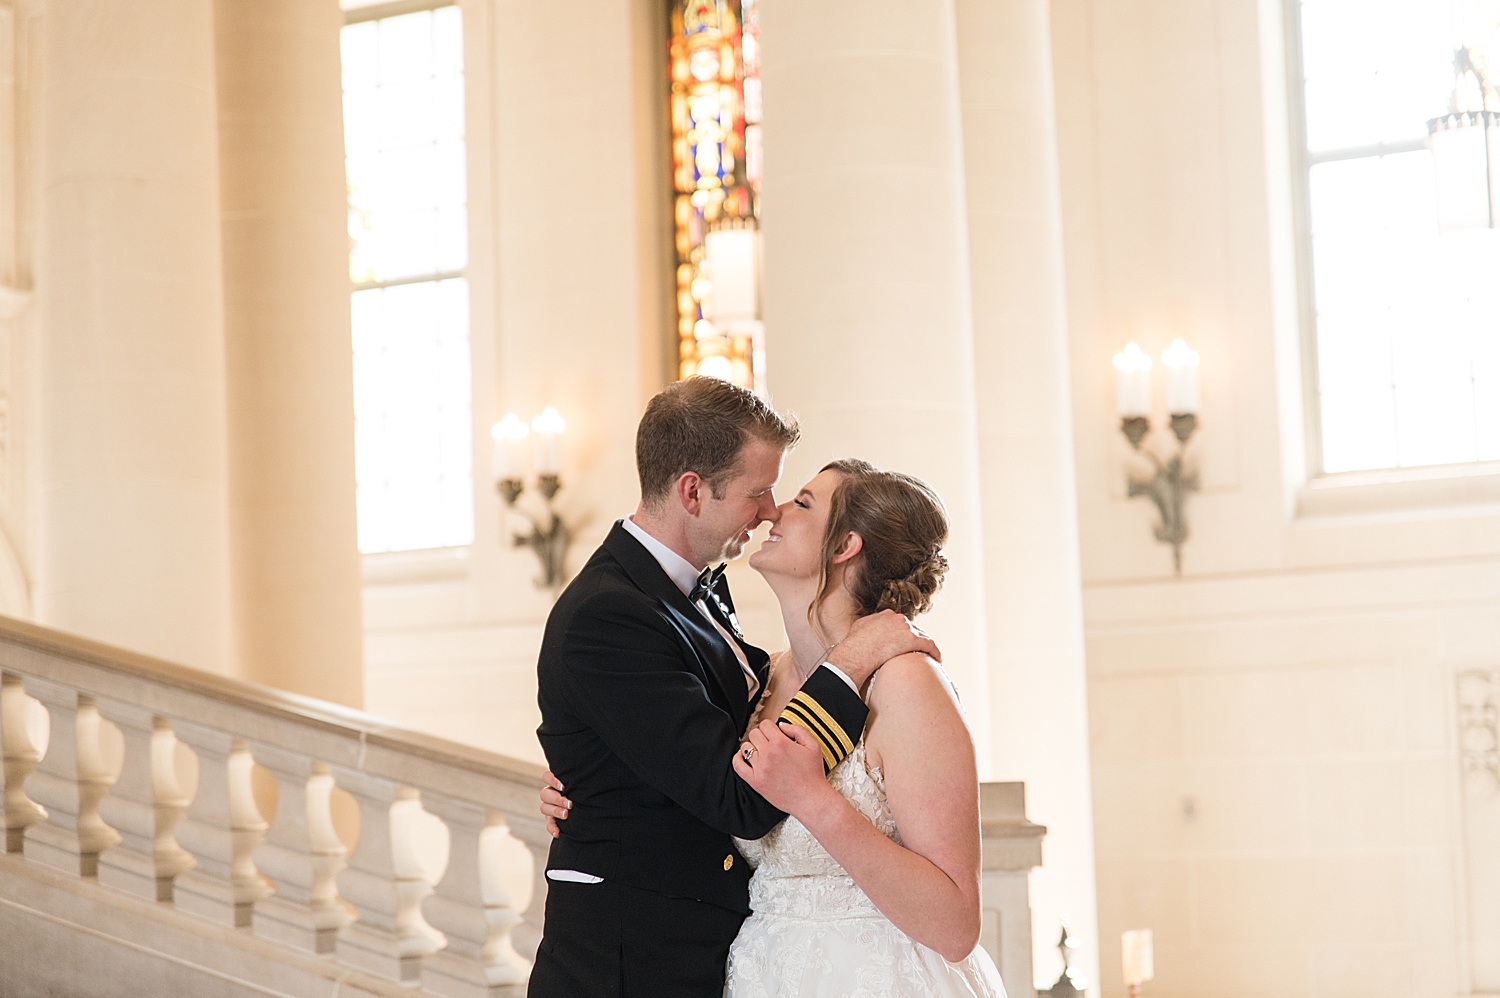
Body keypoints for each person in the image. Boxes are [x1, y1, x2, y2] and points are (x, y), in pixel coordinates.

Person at [528, 379, 940, 998]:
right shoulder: (607, 614)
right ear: (693, 490)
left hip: (720, 957)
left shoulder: (696, 591)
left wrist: (596, 765)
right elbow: (738, 798)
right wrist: (851, 660)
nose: (771, 509)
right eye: (759, 491)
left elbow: (706, 724)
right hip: (630, 969)